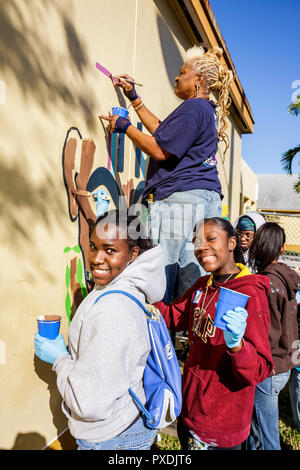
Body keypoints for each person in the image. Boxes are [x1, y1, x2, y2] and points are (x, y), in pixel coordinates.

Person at [100, 46, 234, 303]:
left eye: (183, 72)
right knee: (189, 277)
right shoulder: (204, 110)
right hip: (201, 202)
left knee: (161, 277)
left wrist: (124, 126)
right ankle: (181, 338)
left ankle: (158, 336)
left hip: (180, 203)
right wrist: (134, 98)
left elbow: (161, 149)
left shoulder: (194, 108)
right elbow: (163, 132)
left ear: (198, 80)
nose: (176, 77)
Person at [34, 209, 166, 450]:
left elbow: (89, 403)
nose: (96, 258)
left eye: (111, 250)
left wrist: (60, 359)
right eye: (93, 246)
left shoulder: (113, 308)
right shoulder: (120, 286)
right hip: (125, 423)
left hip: (113, 438)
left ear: (133, 253)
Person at [154, 217, 273, 450]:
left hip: (222, 424)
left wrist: (238, 347)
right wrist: (139, 297)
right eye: (197, 242)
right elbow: (172, 316)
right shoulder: (202, 286)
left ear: (231, 243)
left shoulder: (250, 293)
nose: (202, 248)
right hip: (191, 412)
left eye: (211, 239)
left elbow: (260, 369)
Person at [246, 222, 300, 450]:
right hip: (286, 363)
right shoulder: (290, 279)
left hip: (270, 367)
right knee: (258, 429)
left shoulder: (264, 284)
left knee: (268, 436)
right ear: (282, 248)